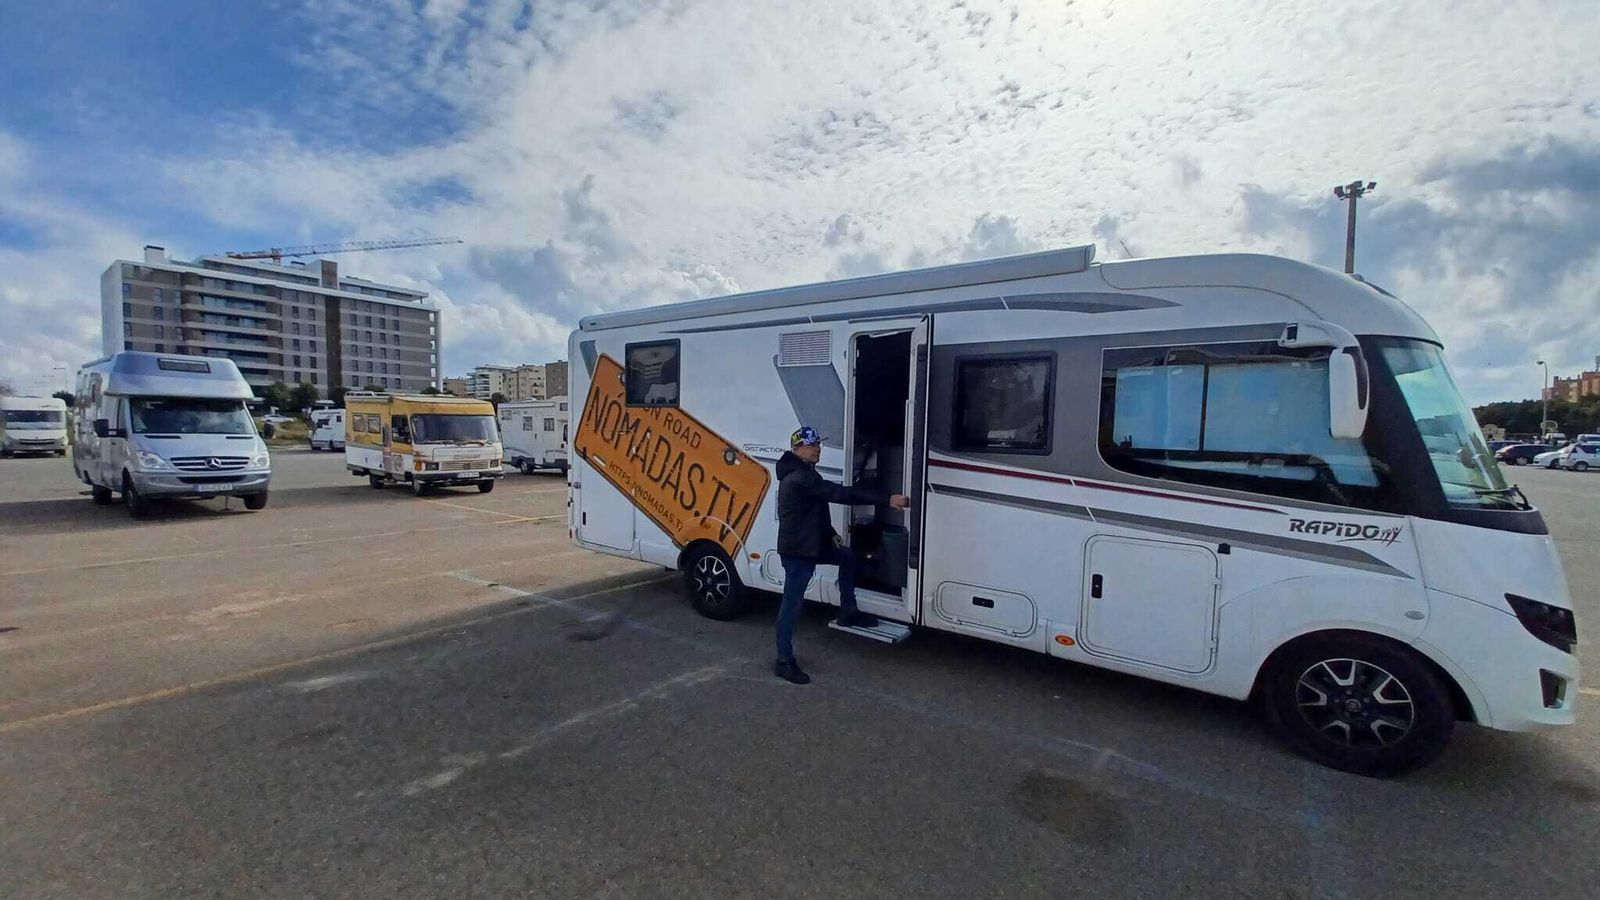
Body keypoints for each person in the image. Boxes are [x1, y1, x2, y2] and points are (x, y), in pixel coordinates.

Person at [772, 425, 910, 685]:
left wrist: (832, 533)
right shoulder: (800, 477)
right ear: (798, 449)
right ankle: (783, 660)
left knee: (847, 556)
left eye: (818, 444)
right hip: (798, 552)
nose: (818, 449)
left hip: (812, 543)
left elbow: (816, 509)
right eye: (813, 445)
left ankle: (848, 613)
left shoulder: (804, 473)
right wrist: (887, 499)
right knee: (791, 606)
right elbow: (840, 494)